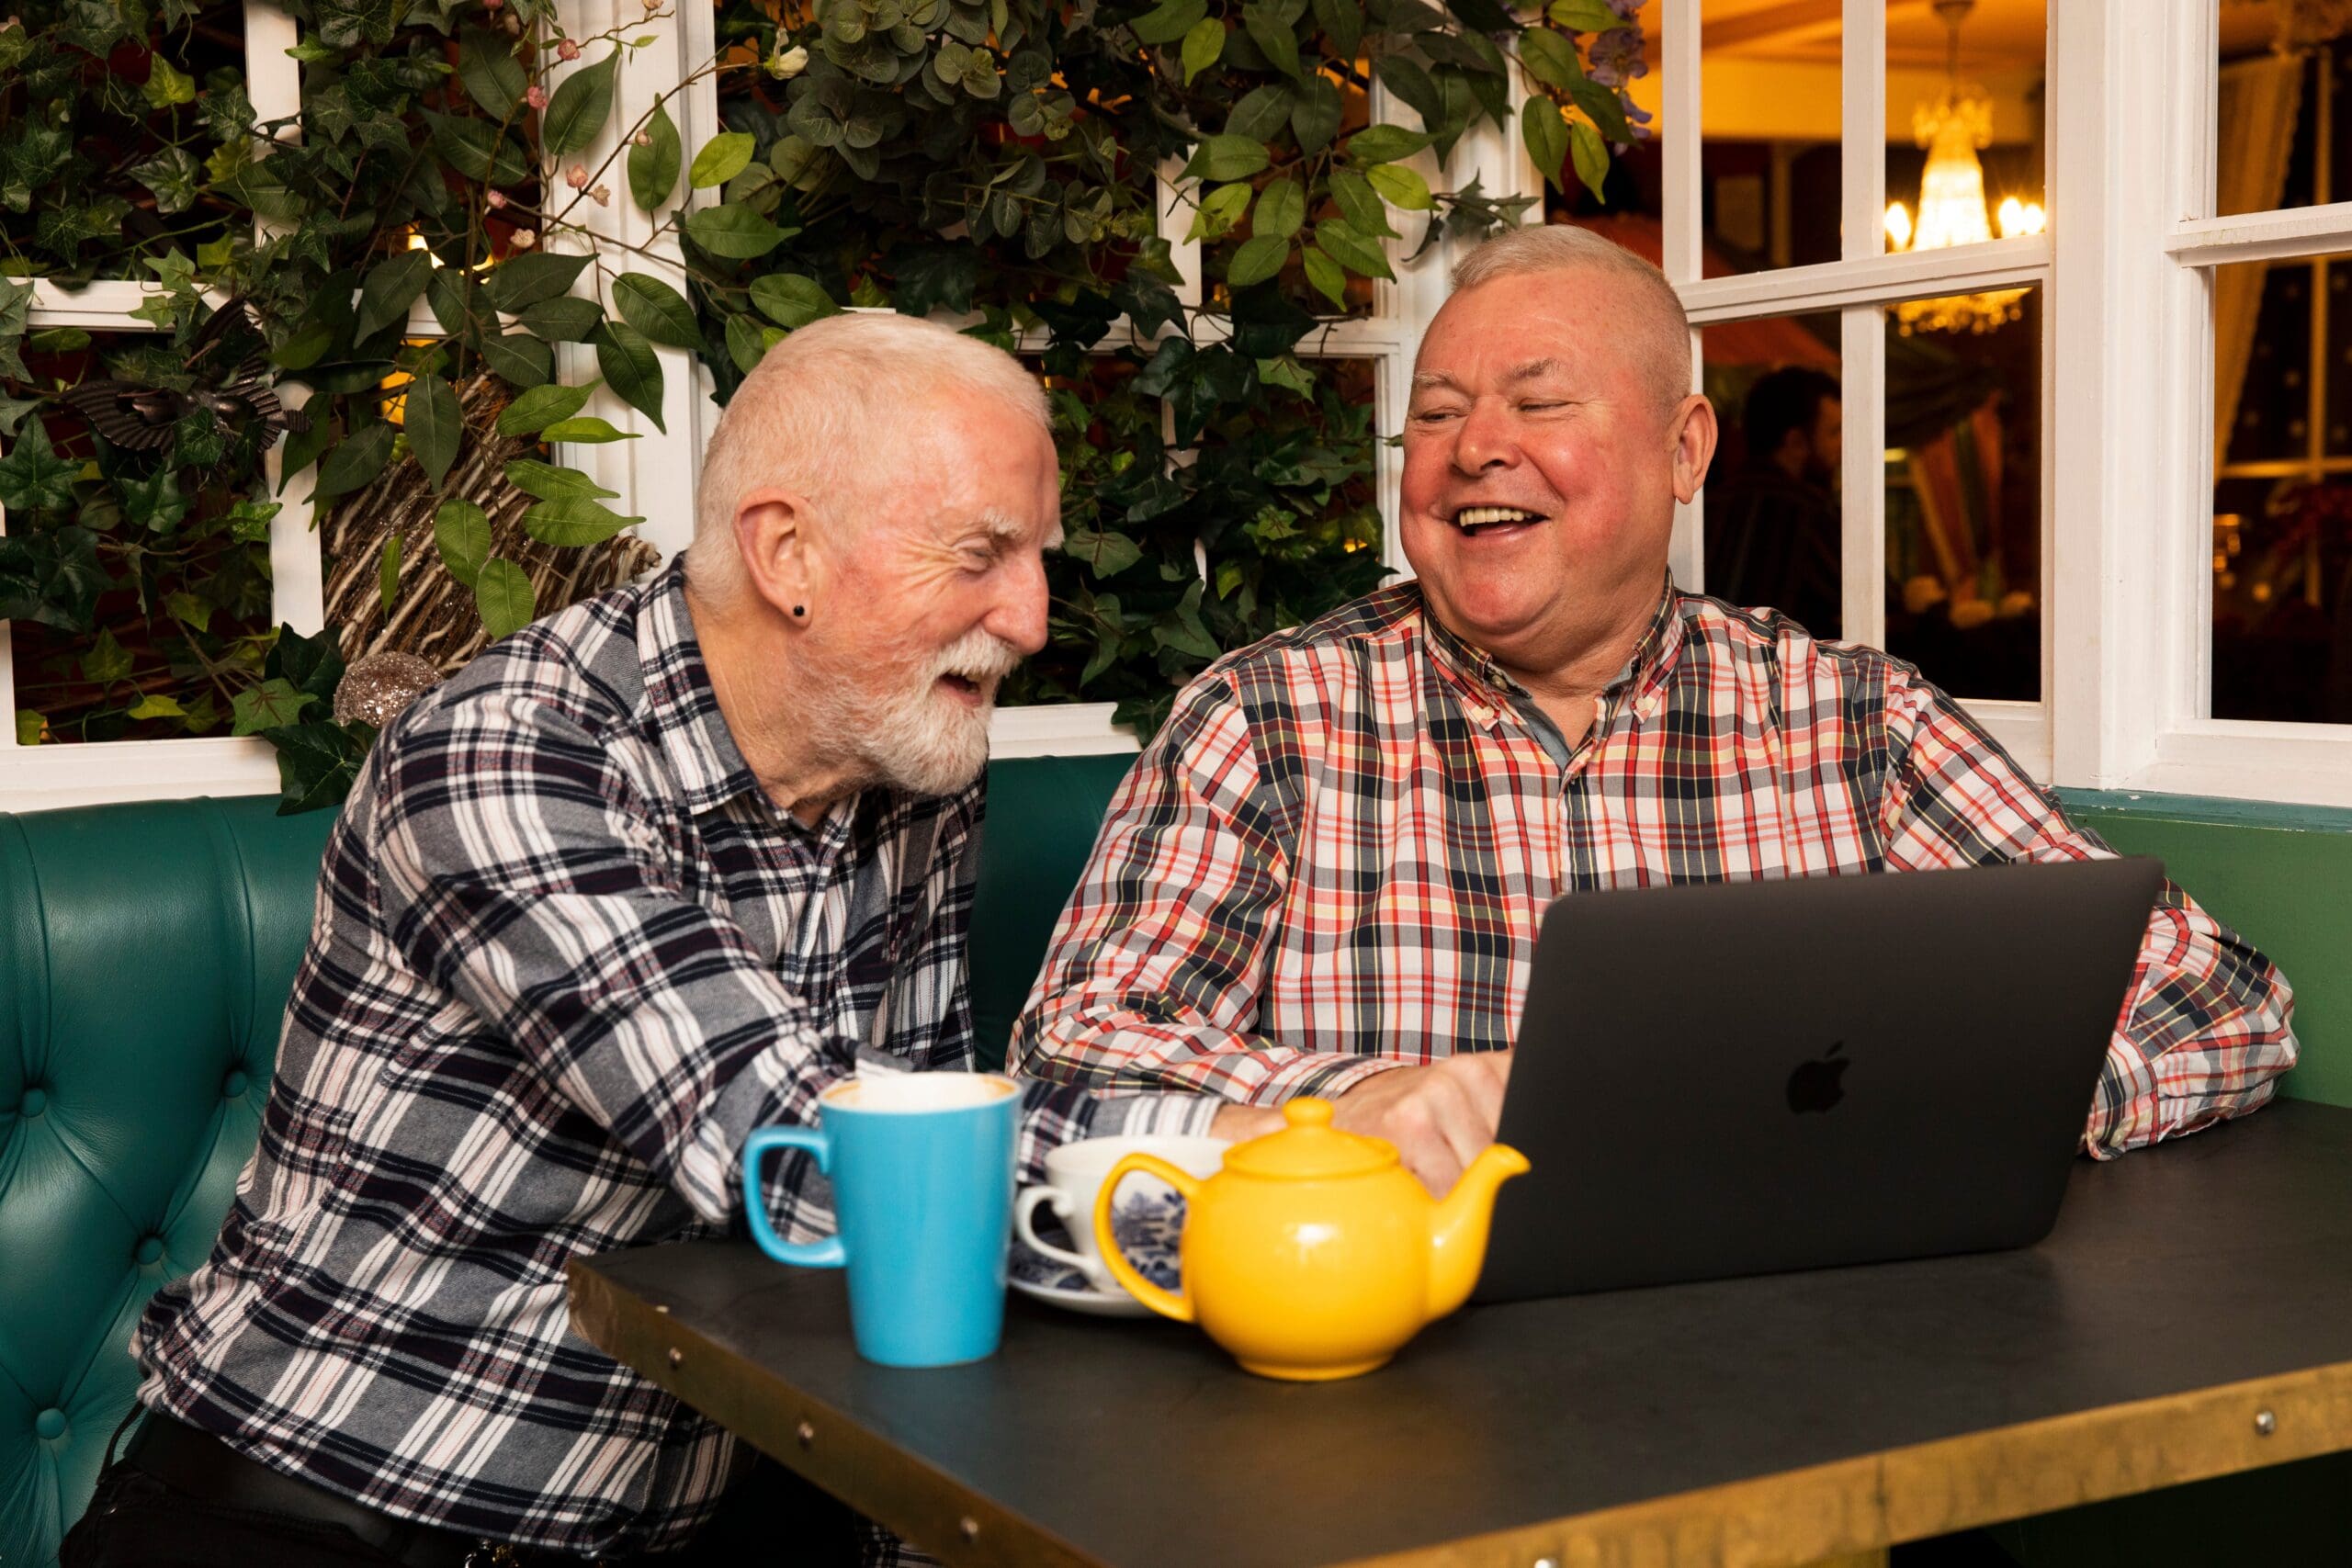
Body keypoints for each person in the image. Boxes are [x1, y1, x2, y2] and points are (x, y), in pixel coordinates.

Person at [64, 313, 1243, 1568]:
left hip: (686, 1516)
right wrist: (1258, 1160)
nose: (1031, 616)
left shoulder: (905, 758)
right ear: (788, 551)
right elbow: (811, 1149)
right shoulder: (511, 754)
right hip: (322, 1512)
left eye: (1036, 558)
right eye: (980, 554)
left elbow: (905, 1220)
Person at [1012, 224, 2297, 1201]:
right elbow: (1066, 1069)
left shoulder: (1851, 721)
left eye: (1538, 401)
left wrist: (1971, 1108)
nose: (1473, 448)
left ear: (1686, 450)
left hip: (1801, 1390)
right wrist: (1346, 1103)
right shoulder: (1266, 720)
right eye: (1439, 415)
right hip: (1396, 1428)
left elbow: (2221, 994)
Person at [1703, 364, 1844, 637]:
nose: (1843, 445)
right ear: (1795, 443)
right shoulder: (1810, 514)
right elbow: (1876, 601)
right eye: (1834, 432)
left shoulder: (1704, 506)